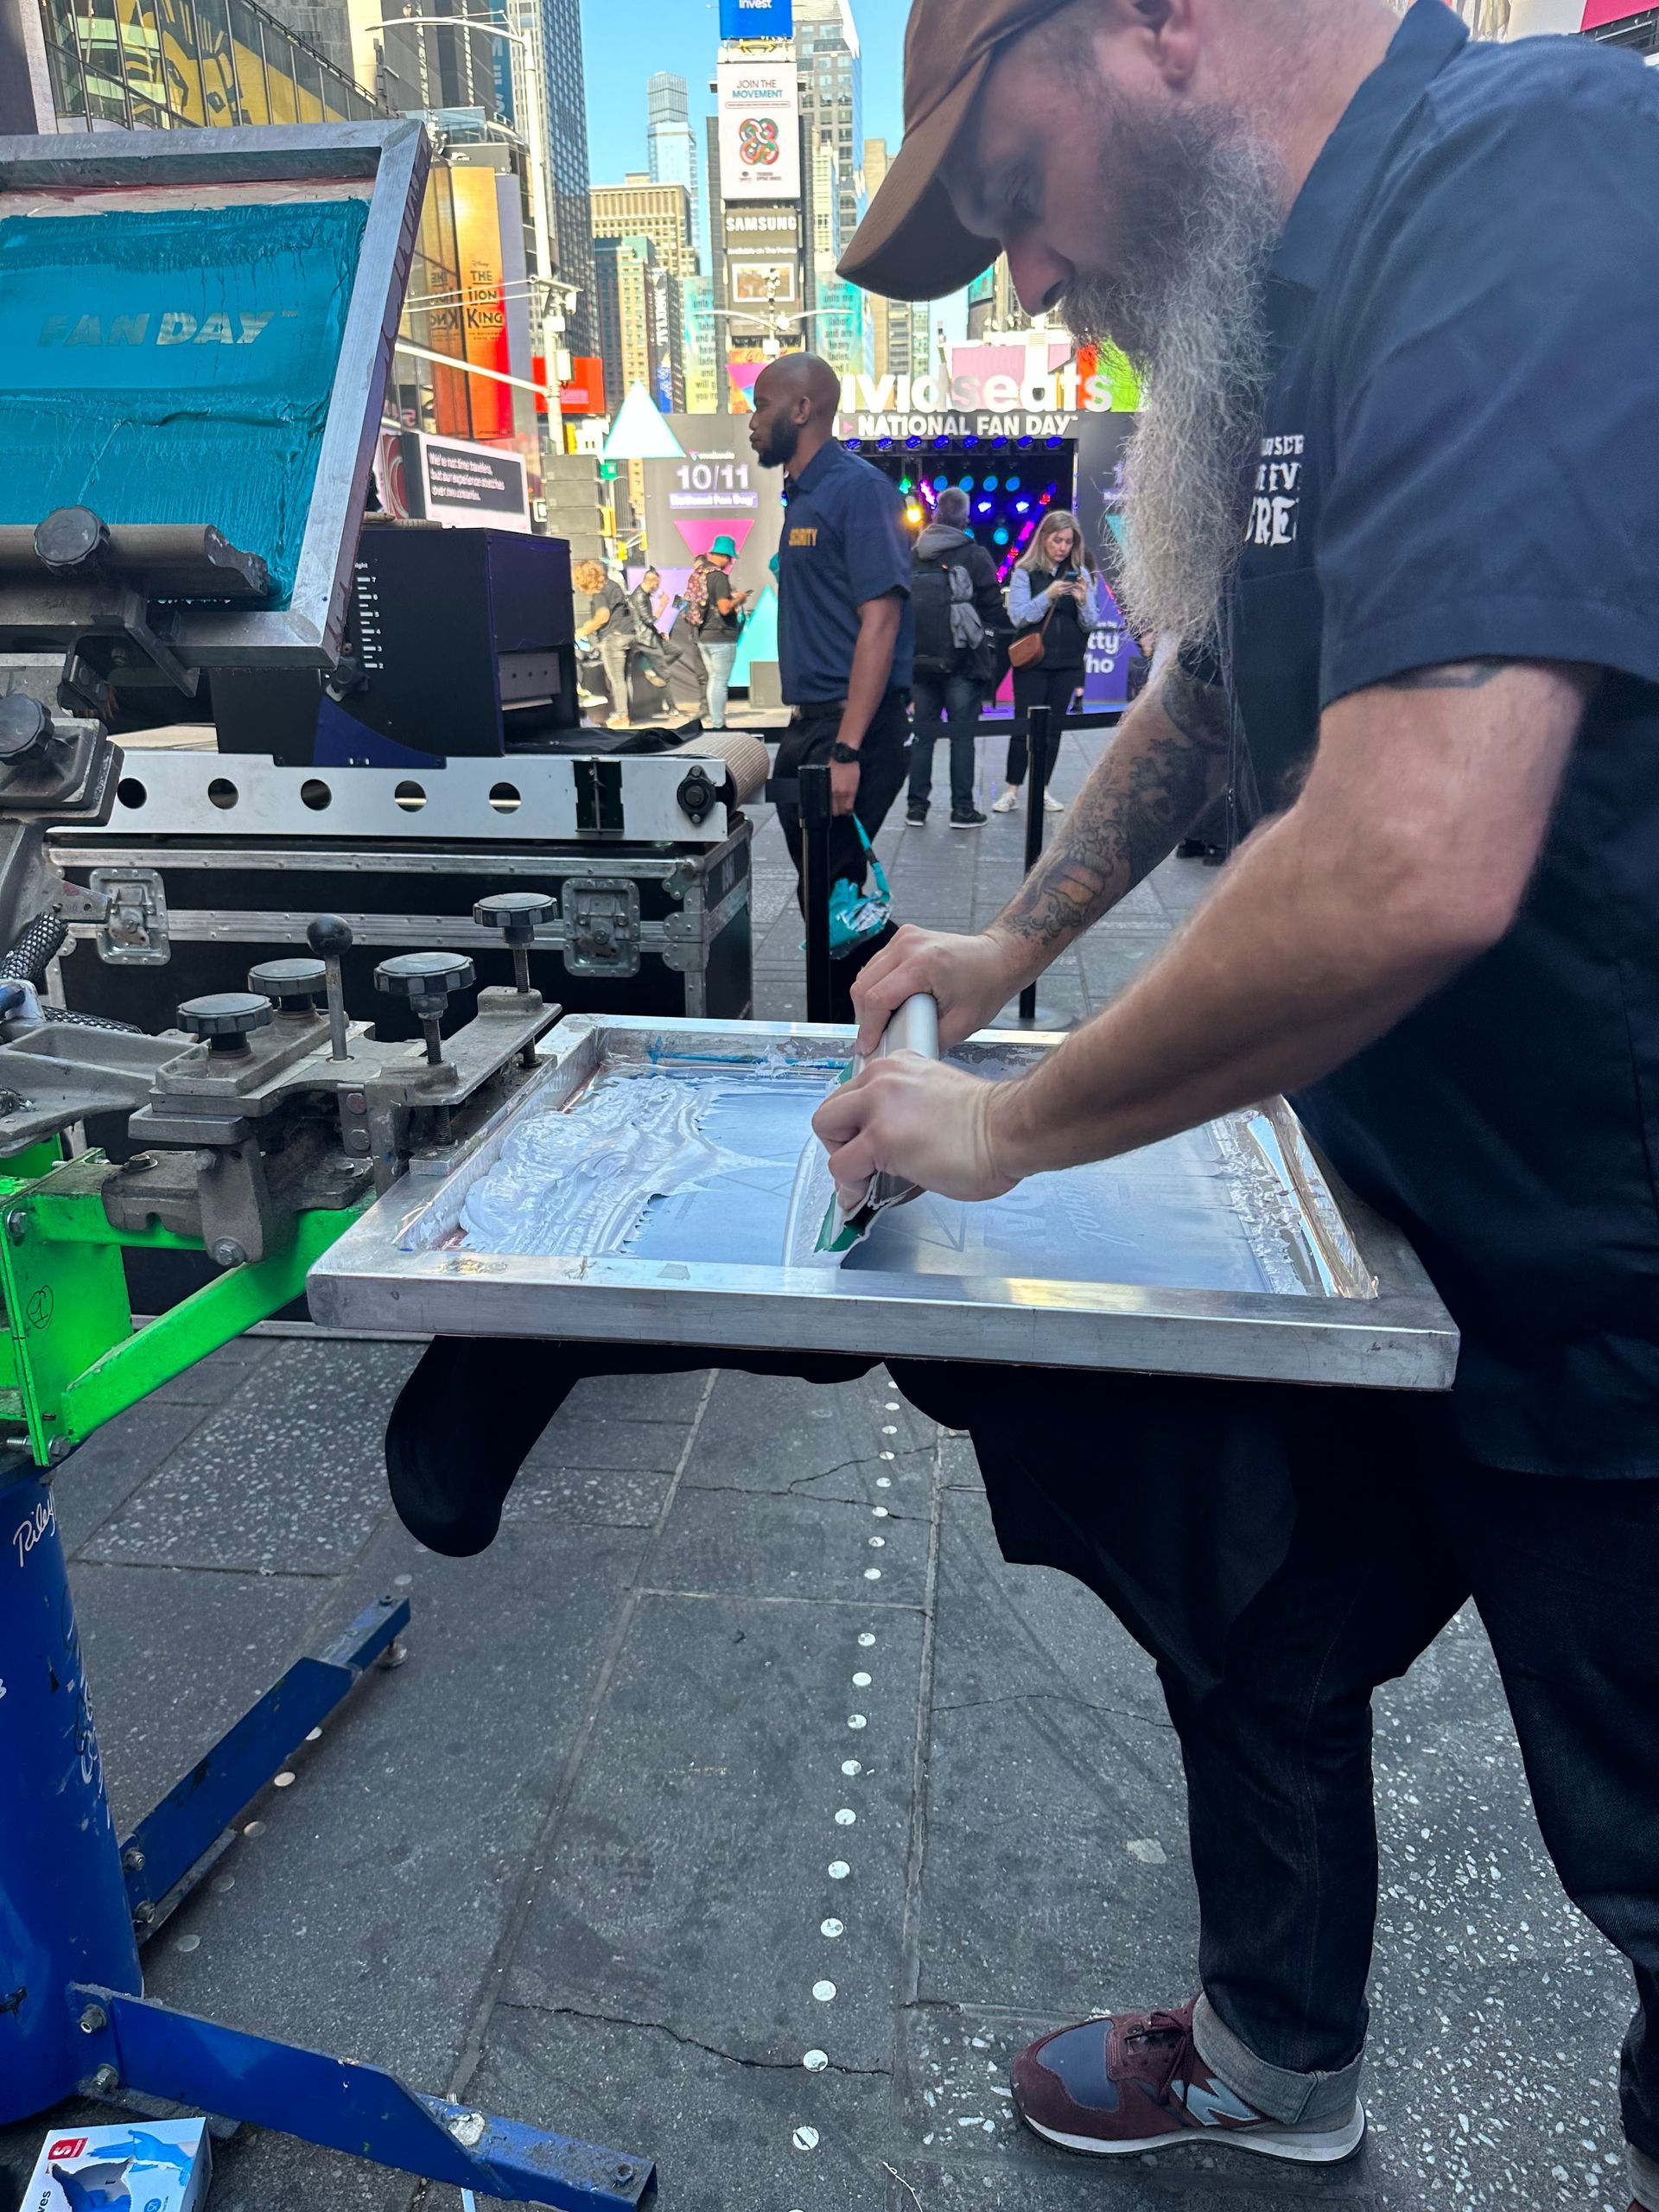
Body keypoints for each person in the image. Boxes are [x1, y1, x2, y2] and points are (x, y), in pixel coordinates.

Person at [829, 1, 1659, 2204]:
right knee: (1248, 1604)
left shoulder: (1527, 176)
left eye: (1011, 189)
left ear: (1160, 28)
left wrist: (1013, 1121)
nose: (1017, 276)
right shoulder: (1288, 309)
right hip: (1389, 1220)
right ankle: (1278, 2057)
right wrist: (1016, 945)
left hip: (1619, 1265)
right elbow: (1212, 678)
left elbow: (1413, 845)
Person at [749, 351, 915, 1023]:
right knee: (827, 897)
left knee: (838, 899)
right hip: (811, 724)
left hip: (851, 729)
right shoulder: (804, 496)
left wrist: (846, 750)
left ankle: (898, 1018)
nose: (751, 423)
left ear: (801, 408)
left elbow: (881, 622)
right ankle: (874, 1030)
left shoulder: (858, 489)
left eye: (761, 405)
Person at [993, 511, 1107, 815]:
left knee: (1054, 730)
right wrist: (1048, 595)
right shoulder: (1024, 572)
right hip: (1032, 662)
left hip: (1067, 663)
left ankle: (1041, 789)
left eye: (1069, 542)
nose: (1063, 547)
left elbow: (1091, 622)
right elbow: (1019, 616)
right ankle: (1011, 789)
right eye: (1058, 540)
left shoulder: (1080, 572)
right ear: (1044, 538)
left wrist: (1083, 600)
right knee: (1023, 727)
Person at [906, 486, 1002, 828]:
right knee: (962, 735)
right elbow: (993, 608)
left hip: (919, 661)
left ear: (934, 516)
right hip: (962, 661)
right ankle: (962, 810)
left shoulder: (913, 554)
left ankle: (916, 807)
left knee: (922, 735)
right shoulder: (974, 555)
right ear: (965, 518)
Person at [570, 558, 662, 729]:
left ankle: (622, 716)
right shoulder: (612, 585)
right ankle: (626, 714)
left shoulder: (599, 592)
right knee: (625, 678)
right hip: (628, 635)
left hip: (614, 638)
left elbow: (603, 616)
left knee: (617, 680)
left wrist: (582, 631)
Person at [685, 537, 749, 731]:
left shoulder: (700, 573)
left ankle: (716, 721)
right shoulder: (719, 577)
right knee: (720, 682)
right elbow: (724, 608)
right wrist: (740, 598)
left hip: (703, 634)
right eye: (730, 558)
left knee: (713, 679)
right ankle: (718, 724)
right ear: (725, 556)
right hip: (721, 636)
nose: (731, 562)